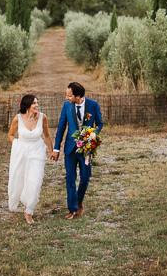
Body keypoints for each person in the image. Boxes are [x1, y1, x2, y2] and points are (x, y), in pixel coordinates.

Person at [51, 82, 103, 220]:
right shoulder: (66, 106)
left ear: (78, 96)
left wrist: (93, 134)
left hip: (87, 149)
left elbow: (99, 123)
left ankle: (79, 200)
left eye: (69, 96)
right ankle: (72, 208)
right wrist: (56, 148)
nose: (67, 98)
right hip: (70, 148)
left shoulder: (93, 105)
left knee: (85, 178)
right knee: (70, 178)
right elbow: (61, 127)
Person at [7, 94, 53, 224]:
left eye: (37, 103)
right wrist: (16, 145)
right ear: (27, 105)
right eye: (34, 103)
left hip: (37, 152)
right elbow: (10, 135)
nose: (36, 106)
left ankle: (29, 211)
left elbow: (47, 136)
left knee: (35, 182)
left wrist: (52, 151)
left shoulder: (43, 117)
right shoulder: (17, 119)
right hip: (21, 152)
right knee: (21, 180)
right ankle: (23, 201)